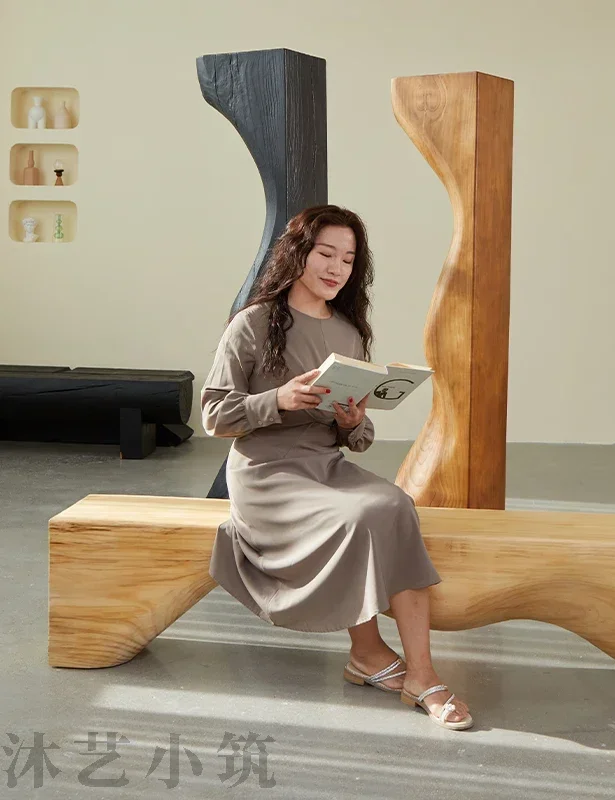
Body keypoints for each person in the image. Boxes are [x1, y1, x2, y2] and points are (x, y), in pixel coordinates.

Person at [201, 204, 472, 731]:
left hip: (324, 465)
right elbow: (214, 415)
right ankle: (368, 653)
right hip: (266, 473)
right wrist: (278, 399)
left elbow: (358, 439)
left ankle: (420, 672)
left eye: (348, 260)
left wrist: (352, 422)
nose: (336, 268)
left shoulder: (349, 333)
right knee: (359, 516)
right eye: (326, 253)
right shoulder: (253, 323)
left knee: (395, 504)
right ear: (298, 253)